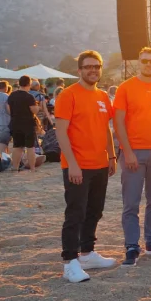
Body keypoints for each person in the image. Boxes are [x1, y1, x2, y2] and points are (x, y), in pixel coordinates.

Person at [54, 50, 117, 282]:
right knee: (75, 214)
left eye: (96, 66)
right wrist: (72, 164)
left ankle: (87, 254)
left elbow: (106, 129)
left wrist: (111, 157)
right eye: (88, 66)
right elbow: (61, 132)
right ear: (79, 70)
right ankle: (70, 262)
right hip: (77, 165)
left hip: (100, 164)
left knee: (94, 211)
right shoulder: (68, 95)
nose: (93, 70)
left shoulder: (102, 97)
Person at [113, 47, 151, 265]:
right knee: (131, 202)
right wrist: (126, 151)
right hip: (134, 152)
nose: (148, 65)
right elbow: (118, 122)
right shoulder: (126, 88)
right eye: (145, 61)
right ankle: (131, 245)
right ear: (139, 62)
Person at [7, 75, 39, 172]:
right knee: (30, 146)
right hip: (28, 123)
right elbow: (34, 110)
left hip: (15, 123)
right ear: (29, 84)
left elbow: (8, 109)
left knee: (17, 146)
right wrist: (38, 107)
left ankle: (15, 167)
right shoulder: (29, 96)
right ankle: (33, 168)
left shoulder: (12, 95)